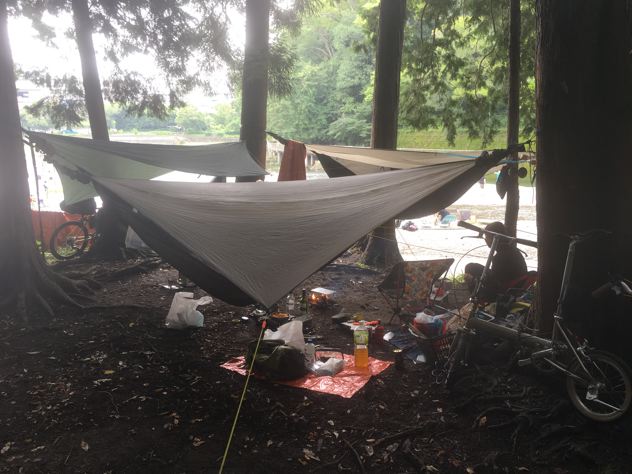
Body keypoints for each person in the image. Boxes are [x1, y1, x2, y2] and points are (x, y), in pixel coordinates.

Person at [464, 221, 527, 301]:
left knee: (470, 268)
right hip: (516, 283)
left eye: (487, 236)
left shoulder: (500, 257)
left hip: (506, 289)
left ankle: (477, 298)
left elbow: (496, 283)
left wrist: (473, 281)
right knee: (472, 267)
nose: (485, 239)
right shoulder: (513, 250)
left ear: (494, 237)